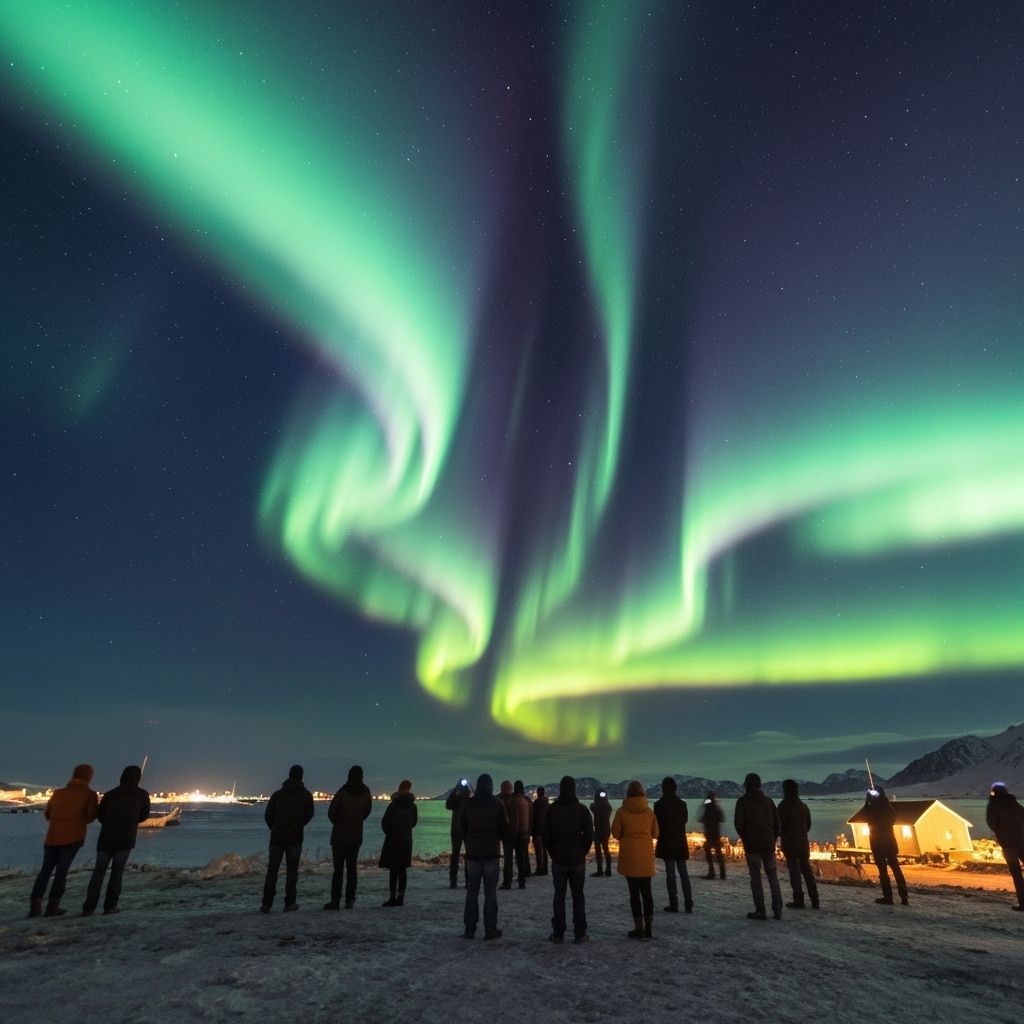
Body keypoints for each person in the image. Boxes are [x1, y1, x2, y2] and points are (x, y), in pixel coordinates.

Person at [29, 764, 99, 917]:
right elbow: (89, 817)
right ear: (88, 776)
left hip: (52, 837)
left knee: (45, 871)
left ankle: (35, 906)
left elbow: (48, 814)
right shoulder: (89, 794)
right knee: (61, 873)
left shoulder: (58, 793)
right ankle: (52, 906)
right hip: (73, 837)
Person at [81, 765, 150, 917]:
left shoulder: (110, 795)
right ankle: (110, 906)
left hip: (106, 838)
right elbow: (144, 816)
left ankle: (89, 907)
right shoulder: (142, 794)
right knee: (117, 873)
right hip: (126, 838)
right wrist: (131, 821)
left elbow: (100, 816)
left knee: (98, 873)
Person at [541, 775, 593, 943]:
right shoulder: (582, 810)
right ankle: (580, 932)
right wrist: (582, 851)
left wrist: (552, 852)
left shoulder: (552, 810)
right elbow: (589, 835)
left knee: (559, 896)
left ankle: (558, 932)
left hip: (559, 859)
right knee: (578, 896)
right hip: (577, 859)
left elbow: (545, 835)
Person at [460, 773, 508, 940]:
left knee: (472, 892)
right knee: (490, 893)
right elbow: (504, 827)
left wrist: (469, 840)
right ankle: (490, 929)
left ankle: (470, 928)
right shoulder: (497, 804)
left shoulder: (469, 804)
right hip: (491, 853)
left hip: (473, 854)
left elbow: (463, 826)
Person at [261, 764, 314, 913]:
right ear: (301, 776)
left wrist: (275, 827)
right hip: (295, 837)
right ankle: (290, 902)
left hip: (277, 837)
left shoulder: (278, 795)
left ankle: (267, 903)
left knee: (272, 871)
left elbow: (268, 815)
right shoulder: (306, 796)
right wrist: (298, 825)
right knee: (292, 872)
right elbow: (309, 815)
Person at [611, 780, 659, 939]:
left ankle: (639, 928)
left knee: (634, 894)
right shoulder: (649, 812)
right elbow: (656, 833)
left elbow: (616, 833)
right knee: (647, 893)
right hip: (645, 857)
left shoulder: (621, 812)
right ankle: (650, 928)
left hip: (630, 857)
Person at [734, 772, 783, 921]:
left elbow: (738, 824)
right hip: (768, 844)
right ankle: (777, 909)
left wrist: (746, 838)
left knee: (756, 877)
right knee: (772, 876)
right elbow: (777, 824)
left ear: (747, 785)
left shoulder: (742, 802)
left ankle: (760, 910)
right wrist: (772, 838)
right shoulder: (769, 801)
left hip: (752, 845)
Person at [325, 764, 372, 910]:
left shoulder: (343, 792)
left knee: (338, 870)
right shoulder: (366, 793)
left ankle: (335, 901)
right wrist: (357, 821)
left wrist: (340, 823)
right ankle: (350, 900)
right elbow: (367, 811)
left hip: (339, 835)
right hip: (356, 834)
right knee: (352, 869)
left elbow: (331, 812)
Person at [861, 786, 908, 906]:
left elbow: (866, 816)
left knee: (884, 871)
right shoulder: (889, 808)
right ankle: (904, 897)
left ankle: (889, 897)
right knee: (895, 870)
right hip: (889, 843)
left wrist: (867, 802)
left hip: (878, 843)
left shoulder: (876, 809)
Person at [777, 778, 819, 910]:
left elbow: (779, 826)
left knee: (794, 873)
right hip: (802, 843)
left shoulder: (783, 806)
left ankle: (799, 900)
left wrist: (782, 834)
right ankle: (815, 900)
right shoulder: (803, 807)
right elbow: (808, 825)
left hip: (789, 843)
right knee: (807, 872)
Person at [653, 776, 693, 914]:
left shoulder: (658, 805)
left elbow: (656, 824)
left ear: (663, 789)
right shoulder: (682, 804)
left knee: (670, 873)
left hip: (666, 842)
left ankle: (673, 903)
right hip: (680, 841)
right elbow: (685, 820)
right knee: (683, 872)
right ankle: (688, 903)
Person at [986, 782, 1024, 910]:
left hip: (1008, 845)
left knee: (1017, 875)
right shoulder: (1013, 803)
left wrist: (1001, 833)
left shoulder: (993, 805)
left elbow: (991, 822)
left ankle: (1023, 903)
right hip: (1021, 841)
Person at [379, 780, 418, 906]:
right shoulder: (413, 806)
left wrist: (390, 831)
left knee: (393, 870)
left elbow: (384, 822)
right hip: (406, 840)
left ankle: (392, 897)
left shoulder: (393, 805)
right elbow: (414, 823)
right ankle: (400, 897)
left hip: (393, 839)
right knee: (402, 870)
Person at [445, 778, 472, 888]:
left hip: (457, 830)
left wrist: (455, 790)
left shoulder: (456, 800)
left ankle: (453, 881)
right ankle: (467, 881)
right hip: (467, 830)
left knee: (455, 855)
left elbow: (448, 804)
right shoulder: (470, 800)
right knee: (468, 856)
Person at [699, 791, 726, 879]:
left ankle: (712, 872)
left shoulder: (709, 808)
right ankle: (722, 873)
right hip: (715, 834)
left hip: (711, 834)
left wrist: (705, 820)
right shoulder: (716, 808)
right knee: (718, 853)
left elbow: (706, 818)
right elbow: (722, 819)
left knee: (710, 853)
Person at [512, 779, 533, 887]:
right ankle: (525, 874)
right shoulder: (527, 801)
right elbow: (531, 816)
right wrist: (529, 830)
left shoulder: (514, 800)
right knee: (523, 854)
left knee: (518, 857)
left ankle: (520, 879)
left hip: (517, 832)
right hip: (525, 832)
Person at [498, 780, 517, 889]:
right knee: (512, 858)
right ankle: (521, 880)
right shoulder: (515, 800)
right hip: (515, 832)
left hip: (507, 833)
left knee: (508, 858)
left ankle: (507, 881)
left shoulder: (501, 801)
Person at [590, 789, 613, 876]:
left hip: (599, 830)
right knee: (606, 849)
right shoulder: (608, 806)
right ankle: (608, 870)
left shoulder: (595, 806)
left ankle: (600, 870)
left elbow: (591, 806)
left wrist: (597, 800)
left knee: (598, 851)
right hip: (606, 830)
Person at [532, 786, 550, 876]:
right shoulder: (547, 803)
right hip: (546, 830)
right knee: (544, 850)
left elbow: (533, 817)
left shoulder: (537, 803)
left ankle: (540, 868)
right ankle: (545, 868)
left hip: (538, 830)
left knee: (539, 851)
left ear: (538, 793)